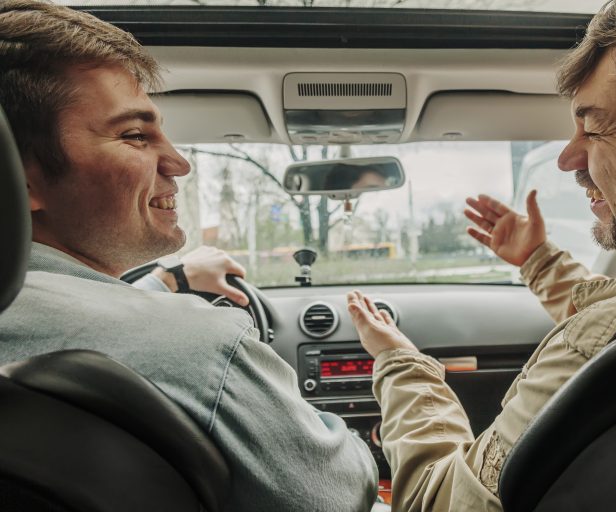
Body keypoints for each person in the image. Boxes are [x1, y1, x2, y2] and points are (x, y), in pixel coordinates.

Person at [346, 0, 616, 510]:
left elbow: (434, 502)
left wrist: (399, 364)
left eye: (595, 127)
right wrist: (538, 260)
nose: (567, 158)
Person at [0, 1, 378, 511]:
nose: (179, 162)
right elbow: (336, 494)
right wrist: (342, 434)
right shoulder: (199, 344)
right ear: (20, 178)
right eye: (135, 135)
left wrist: (164, 282)